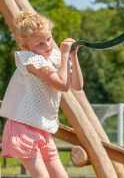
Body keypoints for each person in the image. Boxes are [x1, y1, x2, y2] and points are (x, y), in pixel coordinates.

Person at [0, 10, 83, 177]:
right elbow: (62, 85)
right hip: (22, 127)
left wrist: (73, 57)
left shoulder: (54, 57)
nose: (47, 45)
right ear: (26, 46)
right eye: (40, 44)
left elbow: (77, 85)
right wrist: (65, 54)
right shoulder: (31, 60)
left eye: (49, 39)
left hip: (42, 129)